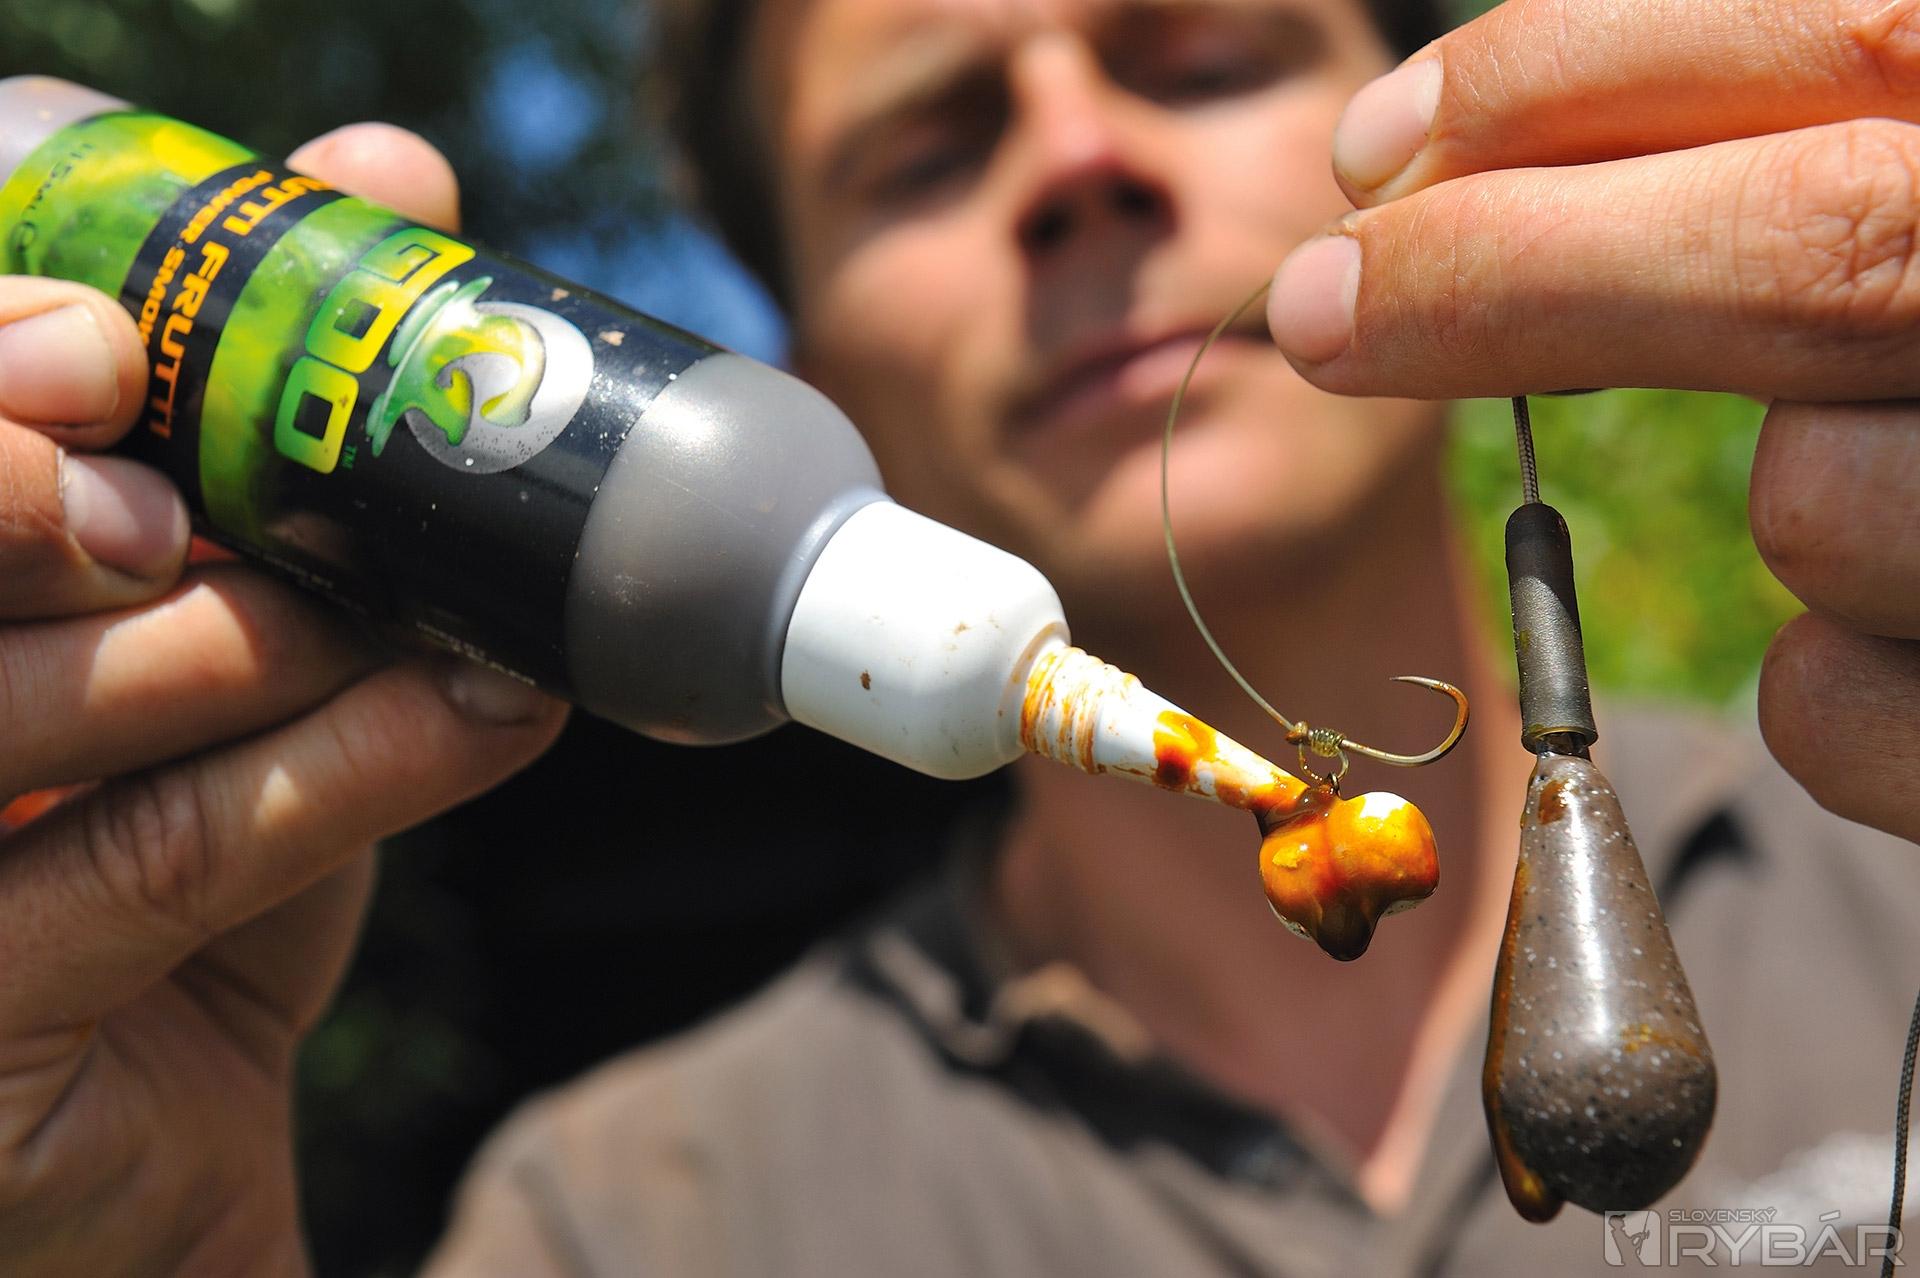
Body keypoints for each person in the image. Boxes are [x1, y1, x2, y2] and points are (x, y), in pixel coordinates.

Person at [1, 0, 1916, 1272]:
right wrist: (151, 1251)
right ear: (796, 368)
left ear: (1440, 152)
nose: (1078, 162)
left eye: (1199, 52)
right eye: (927, 149)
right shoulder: (631, 1222)